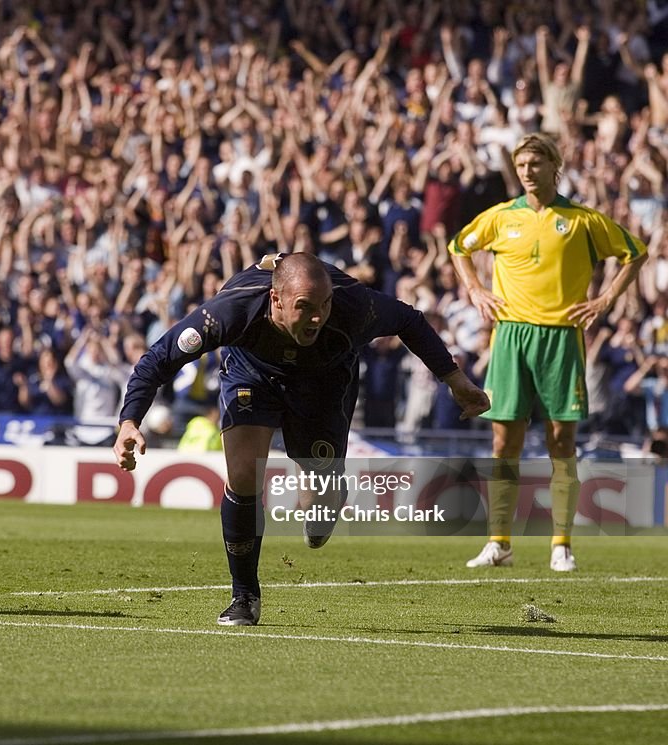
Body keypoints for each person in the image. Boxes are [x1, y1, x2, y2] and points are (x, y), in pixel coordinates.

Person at [113, 252, 490, 626]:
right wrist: (130, 420)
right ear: (275, 299)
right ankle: (244, 595)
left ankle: (328, 493)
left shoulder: (353, 306)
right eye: (304, 306)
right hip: (251, 375)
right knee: (243, 475)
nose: (316, 318)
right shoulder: (231, 311)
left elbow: (410, 320)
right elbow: (158, 359)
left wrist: (455, 380)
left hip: (323, 382)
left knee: (316, 507)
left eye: (323, 305)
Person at [448, 132, 648, 573]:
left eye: (535, 164)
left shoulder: (581, 219)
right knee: (504, 441)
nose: (527, 173)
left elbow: (635, 252)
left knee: (561, 440)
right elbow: (458, 246)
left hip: (561, 336)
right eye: (521, 166)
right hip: (512, 336)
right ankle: (499, 541)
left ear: (554, 167)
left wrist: (605, 301)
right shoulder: (501, 217)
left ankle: (561, 544)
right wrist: (475, 288)